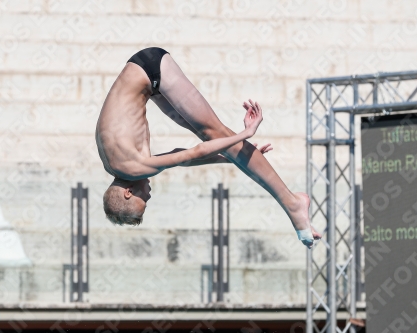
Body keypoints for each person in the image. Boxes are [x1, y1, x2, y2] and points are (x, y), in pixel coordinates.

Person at [96, 47, 321, 248]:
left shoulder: (134, 168)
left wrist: (246, 133)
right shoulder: (116, 166)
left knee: (215, 133)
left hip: (152, 70)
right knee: (218, 140)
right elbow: (179, 157)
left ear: (127, 193)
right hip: (146, 73)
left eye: (143, 200)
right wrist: (227, 158)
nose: (149, 197)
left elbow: (196, 151)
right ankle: (288, 198)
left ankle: (293, 204)